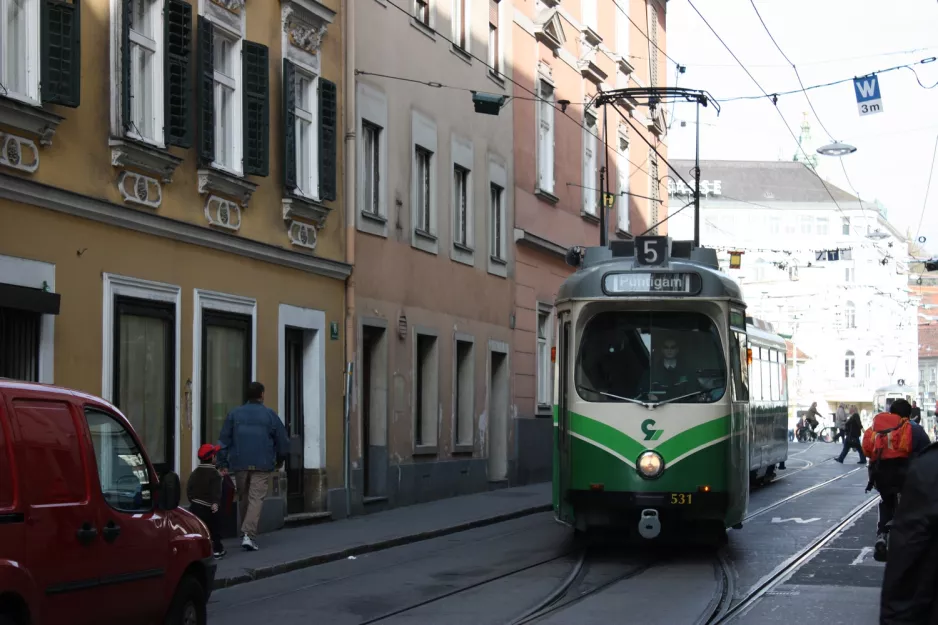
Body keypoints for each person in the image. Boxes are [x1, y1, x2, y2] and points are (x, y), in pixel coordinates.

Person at [217, 381, 290, 552]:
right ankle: (249, 534)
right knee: (256, 498)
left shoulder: (234, 414)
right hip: (262, 462)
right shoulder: (269, 415)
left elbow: (223, 440)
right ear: (262, 395)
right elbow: (283, 441)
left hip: (240, 462)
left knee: (244, 497)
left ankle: (245, 533)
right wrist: (280, 459)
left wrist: (222, 462)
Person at [862, 398, 928, 562]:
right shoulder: (915, 429)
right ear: (909, 414)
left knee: (886, 501)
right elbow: (928, 453)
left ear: (891, 413)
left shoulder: (877, 428)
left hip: (881, 477)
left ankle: (881, 535)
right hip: (908, 478)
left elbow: (868, 451)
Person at [879, 439, 938, 623]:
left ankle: (882, 530)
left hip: (891, 479)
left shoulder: (931, 466)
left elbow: (907, 559)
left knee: (888, 505)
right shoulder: (918, 437)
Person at [187, 443, 226, 559]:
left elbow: (189, 489)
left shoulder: (195, 472)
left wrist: (192, 500)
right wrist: (215, 503)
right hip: (209, 508)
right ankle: (217, 550)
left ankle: (199, 551)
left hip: (195, 506)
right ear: (213, 458)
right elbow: (216, 491)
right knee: (214, 529)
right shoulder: (215, 474)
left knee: (199, 530)